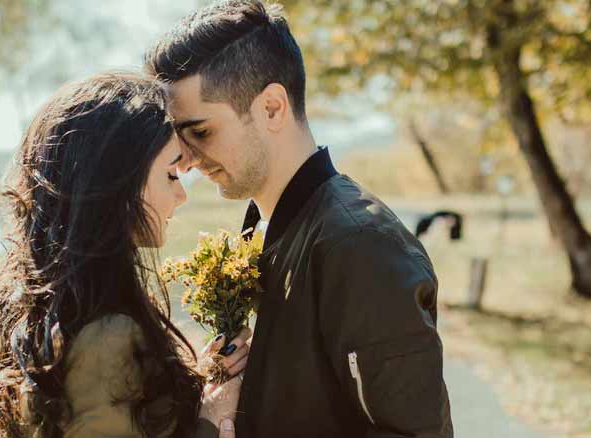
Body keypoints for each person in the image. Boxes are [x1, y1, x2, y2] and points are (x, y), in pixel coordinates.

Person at [145, 1, 454, 436]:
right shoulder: (263, 224)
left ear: (272, 108)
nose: (189, 160)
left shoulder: (359, 244)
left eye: (201, 131)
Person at [0, 73, 249, 438]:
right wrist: (211, 421)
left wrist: (200, 379)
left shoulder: (67, 310)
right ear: (118, 183)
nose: (181, 197)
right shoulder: (105, 339)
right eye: (170, 175)